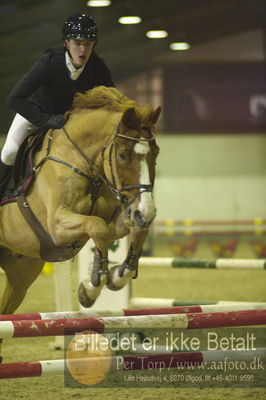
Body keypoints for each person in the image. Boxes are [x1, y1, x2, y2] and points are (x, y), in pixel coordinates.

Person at [0, 13, 114, 197]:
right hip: (36, 114)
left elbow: (112, 101)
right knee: (9, 152)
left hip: (69, 122)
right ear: (66, 43)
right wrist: (46, 121)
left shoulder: (97, 66)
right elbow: (14, 99)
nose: (83, 50)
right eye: (78, 43)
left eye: (88, 44)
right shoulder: (49, 62)